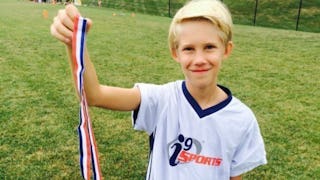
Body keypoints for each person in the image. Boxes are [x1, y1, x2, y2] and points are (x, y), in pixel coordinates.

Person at [50, 0, 267, 179]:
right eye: (189, 49)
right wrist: (75, 45)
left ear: (226, 50)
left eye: (209, 47)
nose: (199, 59)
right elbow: (94, 95)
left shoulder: (242, 119)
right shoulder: (161, 99)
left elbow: (233, 176)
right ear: (176, 53)